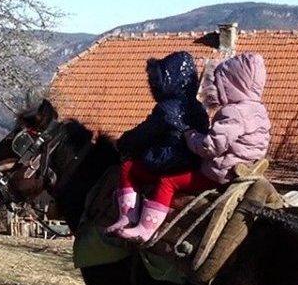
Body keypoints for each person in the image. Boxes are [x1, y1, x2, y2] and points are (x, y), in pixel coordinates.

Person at [105, 51, 211, 242]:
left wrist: (123, 142)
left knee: (128, 168)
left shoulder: (166, 109)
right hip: (193, 163)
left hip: (169, 160)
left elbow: (144, 133)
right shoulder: (198, 107)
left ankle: (128, 217)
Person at [185, 52, 271, 187]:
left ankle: (150, 209)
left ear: (230, 84)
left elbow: (210, 148)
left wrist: (191, 136)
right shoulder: (260, 110)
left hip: (222, 173)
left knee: (168, 182)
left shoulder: (233, 112)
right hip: (248, 169)